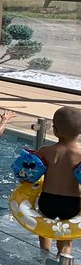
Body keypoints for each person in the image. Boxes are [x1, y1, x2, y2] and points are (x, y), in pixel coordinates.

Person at [34, 107, 81, 255]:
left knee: (45, 230)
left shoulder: (45, 151)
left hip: (48, 198)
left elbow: (29, 173)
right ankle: (63, 261)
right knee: (67, 237)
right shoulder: (80, 155)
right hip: (71, 202)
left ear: (54, 130)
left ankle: (45, 254)